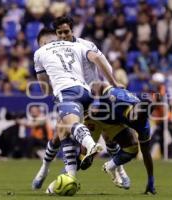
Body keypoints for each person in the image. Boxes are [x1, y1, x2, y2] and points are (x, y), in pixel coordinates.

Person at [32, 28, 119, 187]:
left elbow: (45, 89)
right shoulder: (77, 45)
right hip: (87, 91)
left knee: (69, 128)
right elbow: (98, 58)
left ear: (42, 43)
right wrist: (113, 82)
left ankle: (90, 147)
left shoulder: (40, 52)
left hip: (67, 91)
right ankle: (51, 171)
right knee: (62, 132)